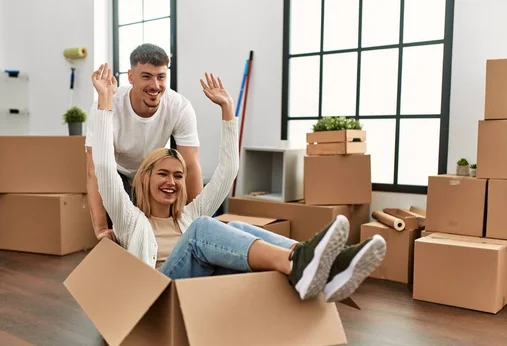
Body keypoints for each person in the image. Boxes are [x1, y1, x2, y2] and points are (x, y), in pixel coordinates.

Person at [90, 64, 387, 302]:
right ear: (145, 178)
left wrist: (228, 110)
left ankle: (331, 266)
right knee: (203, 229)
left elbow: (228, 172)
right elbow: (103, 165)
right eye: (163, 174)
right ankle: (299, 262)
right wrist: (105, 102)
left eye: (179, 175)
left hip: (200, 292)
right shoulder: (130, 220)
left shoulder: (188, 215)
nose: (172, 182)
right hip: (160, 297)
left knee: (236, 229)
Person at [84, 44, 203, 243]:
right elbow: (94, 169)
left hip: (150, 171)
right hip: (115, 171)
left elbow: (190, 165)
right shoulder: (107, 105)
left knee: (151, 233)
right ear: (131, 77)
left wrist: (198, 222)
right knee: (119, 235)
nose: (155, 85)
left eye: (161, 76)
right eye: (146, 76)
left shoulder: (179, 107)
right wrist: (101, 228)